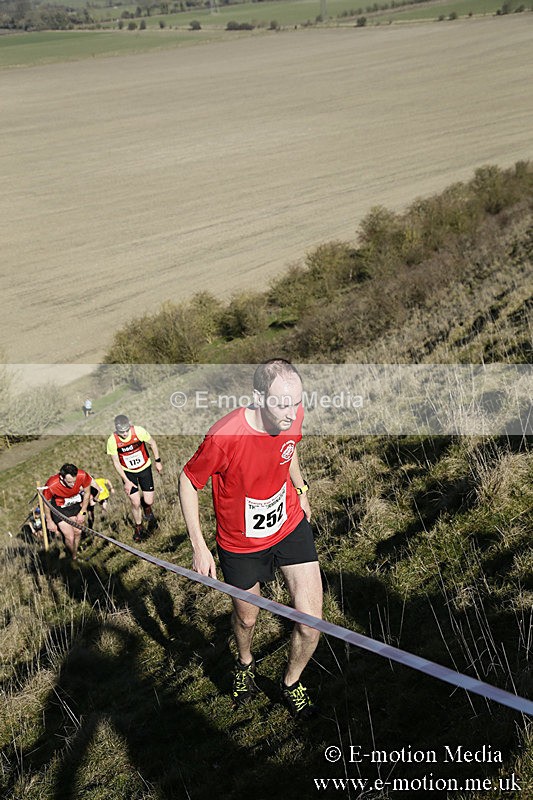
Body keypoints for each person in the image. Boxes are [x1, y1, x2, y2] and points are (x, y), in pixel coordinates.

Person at [178, 359, 322, 719]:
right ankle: (244, 664)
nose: (291, 414)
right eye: (281, 405)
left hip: (288, 525)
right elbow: (188, 481)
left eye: (297, 403)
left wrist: (300, 487)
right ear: (258, 398)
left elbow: (288, 451)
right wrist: (198, 545)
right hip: (240, 544)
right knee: (247, 619)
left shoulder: (293, 415)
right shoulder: (225, 437)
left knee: (310, 623)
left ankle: (291, 682)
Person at [107, 415, 162, 543]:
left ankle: (147, 506)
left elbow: (152, 443)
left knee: (149, 500)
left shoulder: (138, 431)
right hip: (128, 473)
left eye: (127, 430)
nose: (125, 434)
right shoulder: (112, 440)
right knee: (135, 502)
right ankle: (139, 526)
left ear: (129, 425)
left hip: (144, 468)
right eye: (122, 432)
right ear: (116, 429)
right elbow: (116, 462)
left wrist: (157, 461)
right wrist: (126, 480)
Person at [42, 463, 98, 561]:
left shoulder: (82, 475)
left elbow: (87, 493)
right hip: (60, 508)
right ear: (61, 478)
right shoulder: (52, 484)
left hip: (74, 504)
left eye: (74, 481)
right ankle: (74, 558)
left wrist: (83, 512)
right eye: (69, 482)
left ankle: (74, 552)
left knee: (78, 532)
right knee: (70, 537)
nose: (73, 485)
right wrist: (49, 521)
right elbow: (46, 503)